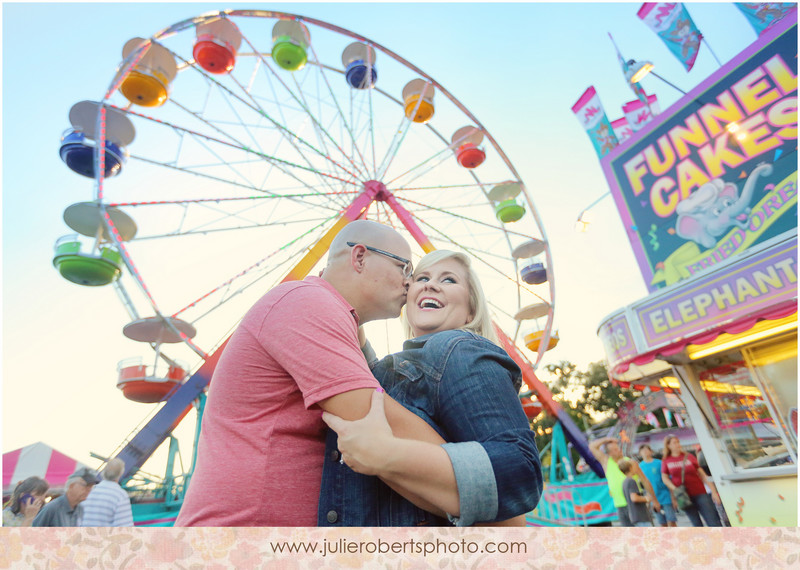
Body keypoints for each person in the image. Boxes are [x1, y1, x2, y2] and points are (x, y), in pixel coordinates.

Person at [176, 221, 447, 526]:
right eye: (404, 267)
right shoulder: (306, 301)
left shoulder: (333, 317)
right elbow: (377, 421)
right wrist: (481, 482)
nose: (410, 283)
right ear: (359, 257)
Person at [318, 250, 542, 526]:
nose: (431, 284)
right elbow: (380, 383)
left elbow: (520, 472)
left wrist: (388, 454)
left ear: (471, 309)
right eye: (421, 277)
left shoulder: (461, 349)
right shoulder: (409, 364)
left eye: (449, 280)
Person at [589, 436, 660, 527]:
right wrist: (607, 439)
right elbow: (592, 447)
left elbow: (645, 481)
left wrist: (654, 500)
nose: (618, 450)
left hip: (636, 504)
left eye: (618, 447)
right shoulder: (606, 462)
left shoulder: (630, 462)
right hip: (620, 505)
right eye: (615, 449)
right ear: (609, 453)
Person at [661, 435, 722, 527]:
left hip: (700, 493)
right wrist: (675, 488)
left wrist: (713, 491)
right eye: (674, 443)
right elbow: (664, 478)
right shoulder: (666, 460)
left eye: (678, 442)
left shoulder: (688, 456)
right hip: (684, 496)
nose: (677, 444)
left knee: (713, 520)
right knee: (696, 523)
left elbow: (702, 475)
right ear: (668, 446)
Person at [31, 467, 98, 527]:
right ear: (71, 486)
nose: (89, 490)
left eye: (91, 486)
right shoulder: (52, 508)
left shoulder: (80, 509)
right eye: (86, 485)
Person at [81, 458, 134, 527]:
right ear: (120, 473)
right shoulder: (120, 495)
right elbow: (125, 528)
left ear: (104, 472)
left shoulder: (88, 491)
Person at [638, 443, 677, 527]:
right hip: (653, 498)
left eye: (646, 449)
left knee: (671, 520)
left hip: (665, 496)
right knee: (662, 523)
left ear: (651, 451)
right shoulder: (639, 466)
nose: (644, 452)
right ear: (639, 453)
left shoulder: (659, 463)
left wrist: (673, 497)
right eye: (642, 450)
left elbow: (668, 479)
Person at [618, 459, 653, 527]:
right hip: (640, 517)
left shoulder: (625, 482)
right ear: (630, 468)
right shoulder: (631, 481)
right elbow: (634, 498)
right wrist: (647, 498)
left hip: (634, 516)